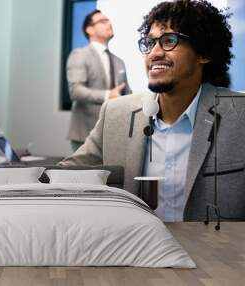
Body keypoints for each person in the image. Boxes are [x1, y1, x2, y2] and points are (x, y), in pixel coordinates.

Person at [60, 0, 245, 222]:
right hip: (135, 252)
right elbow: (63, 177)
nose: (154, 53)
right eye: (149, 43)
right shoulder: (116, 115)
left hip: (215, 254)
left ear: (203, 53)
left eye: (169, 41)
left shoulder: (239, 114)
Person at [67, 9, 132, 151]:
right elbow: (75, 91)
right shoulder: (80, 55)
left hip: (114, 134)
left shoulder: (119, 61)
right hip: (85, 134)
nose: (109, 23)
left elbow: (127, 94)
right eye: (103, 21)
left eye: (109, 20)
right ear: (90, 29)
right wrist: (108, 95)